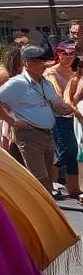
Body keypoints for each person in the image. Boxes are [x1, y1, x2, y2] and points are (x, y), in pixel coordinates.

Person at [0, 44, 76, 195]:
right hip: (29, 134)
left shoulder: (46, 83)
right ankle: (45, 212)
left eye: (44, 61)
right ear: (27, 63)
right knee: (41, 179)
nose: (43, 65)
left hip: (47, 134)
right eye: (39, 62)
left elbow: (57, 105)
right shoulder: (17, 83)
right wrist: (12, 121)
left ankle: (28, 207)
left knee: (44, 177)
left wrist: (67, 108)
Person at [45, 41, 82, 198]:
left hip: (74, 116)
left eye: (71, 53)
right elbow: (57, 96)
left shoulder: (76, 72)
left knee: (75, 151)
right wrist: (72, 107)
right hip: (59, 116)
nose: (69, 56)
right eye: (65, 53)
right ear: (58, 54)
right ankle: (52, 183)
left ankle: (74, 187)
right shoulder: (50, 73)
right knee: (64, 150)